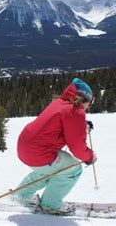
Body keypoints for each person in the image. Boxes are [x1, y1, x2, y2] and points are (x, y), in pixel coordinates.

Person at [13, 78, 96, 214]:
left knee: (52, 169)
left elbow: (61, 122)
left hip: (25, 147)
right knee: (73, 169)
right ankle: (50, 205)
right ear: (85, 99)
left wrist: (82, 125)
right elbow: (77, 147)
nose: (88, 107)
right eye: (90, 103)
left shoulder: (60, 102)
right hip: (40, 153)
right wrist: (90, 156)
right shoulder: (75, 110)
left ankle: (21, 195)